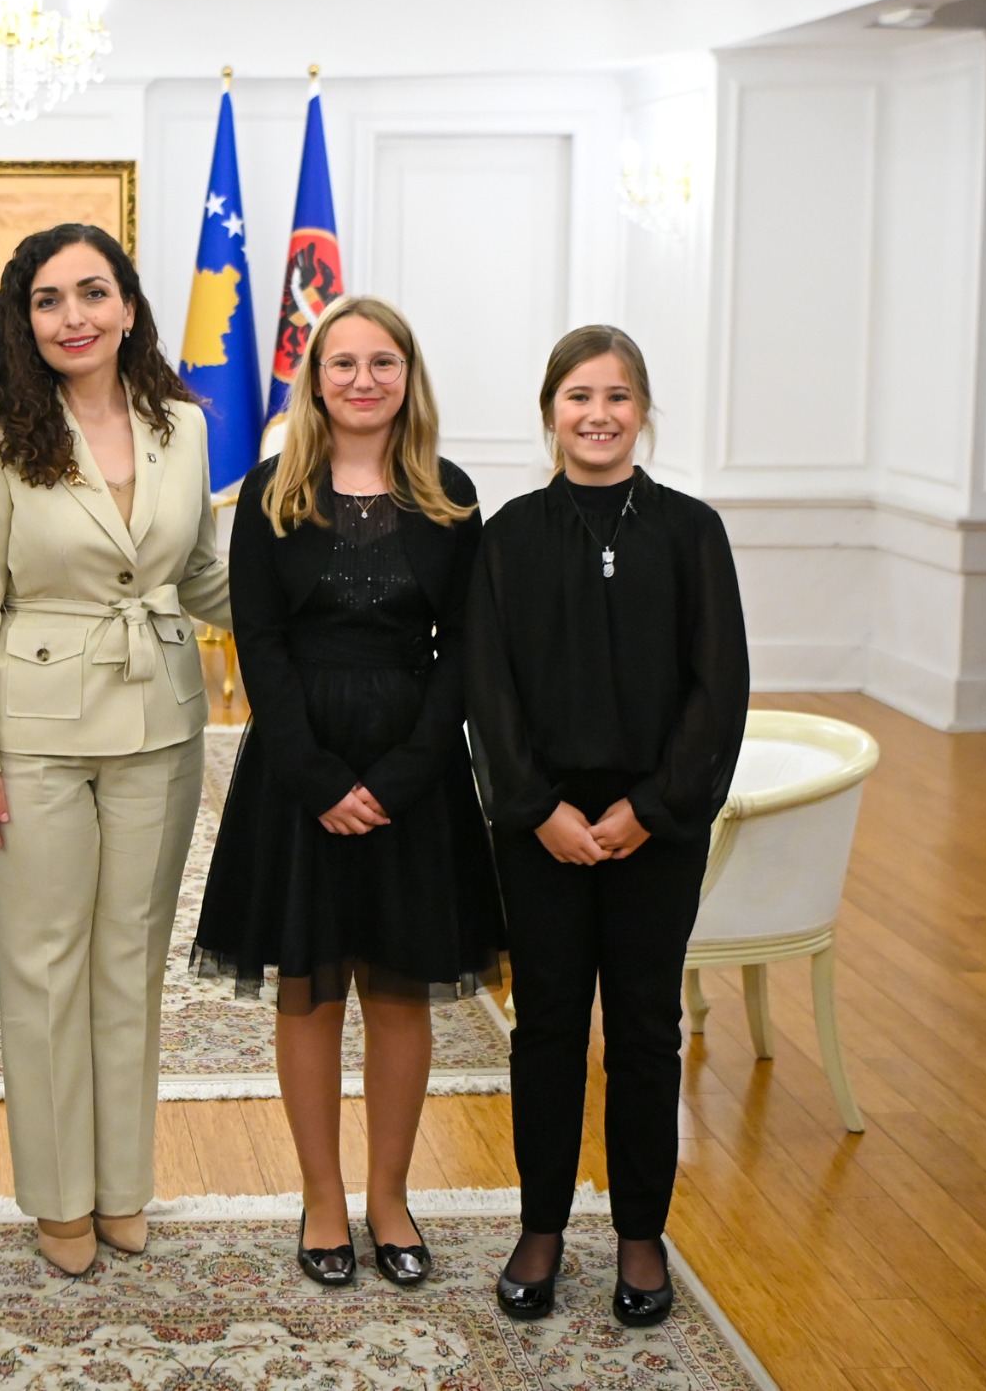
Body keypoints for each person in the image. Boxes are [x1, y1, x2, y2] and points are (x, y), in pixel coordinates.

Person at [0, 223, 232, 1275]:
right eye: (49, 299)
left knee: (131, 961)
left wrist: (325, 609)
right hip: (31, 734)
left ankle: (122, 1186)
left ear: (129, 306)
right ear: (23, 322)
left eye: (93, 293)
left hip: (161, 721)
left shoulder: (184, 426)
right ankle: (60, 1197)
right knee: (45, 963)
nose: (75, 317)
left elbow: (201, 575)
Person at [192, 295, 496, 1289]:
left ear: (408, 377)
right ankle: (322, 1199)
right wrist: (319, 777)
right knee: (311, 991)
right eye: (343, 363)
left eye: (382, 363)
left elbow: (465, 652)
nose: (363, 380)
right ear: (314, 380)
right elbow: (259, 643)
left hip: (417, 772)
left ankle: (389, 1198)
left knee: (401, 993)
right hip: (300, 772)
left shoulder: (449, 496)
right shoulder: (271, 491)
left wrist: (401, 778)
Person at [465, 324, 748, 1329]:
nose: (598, 414)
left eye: (617, 396)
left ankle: (639, 1235)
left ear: (643, 411)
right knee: (546, 1025)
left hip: (653, 830)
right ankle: (540, 1227)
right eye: (579, 396)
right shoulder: (508, 536)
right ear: (550, 411)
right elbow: (486, 688)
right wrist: (537, 808)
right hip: (538, 827)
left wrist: (652, 810)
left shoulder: (691, 532)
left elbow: (719, 688)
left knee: (644, 1028)